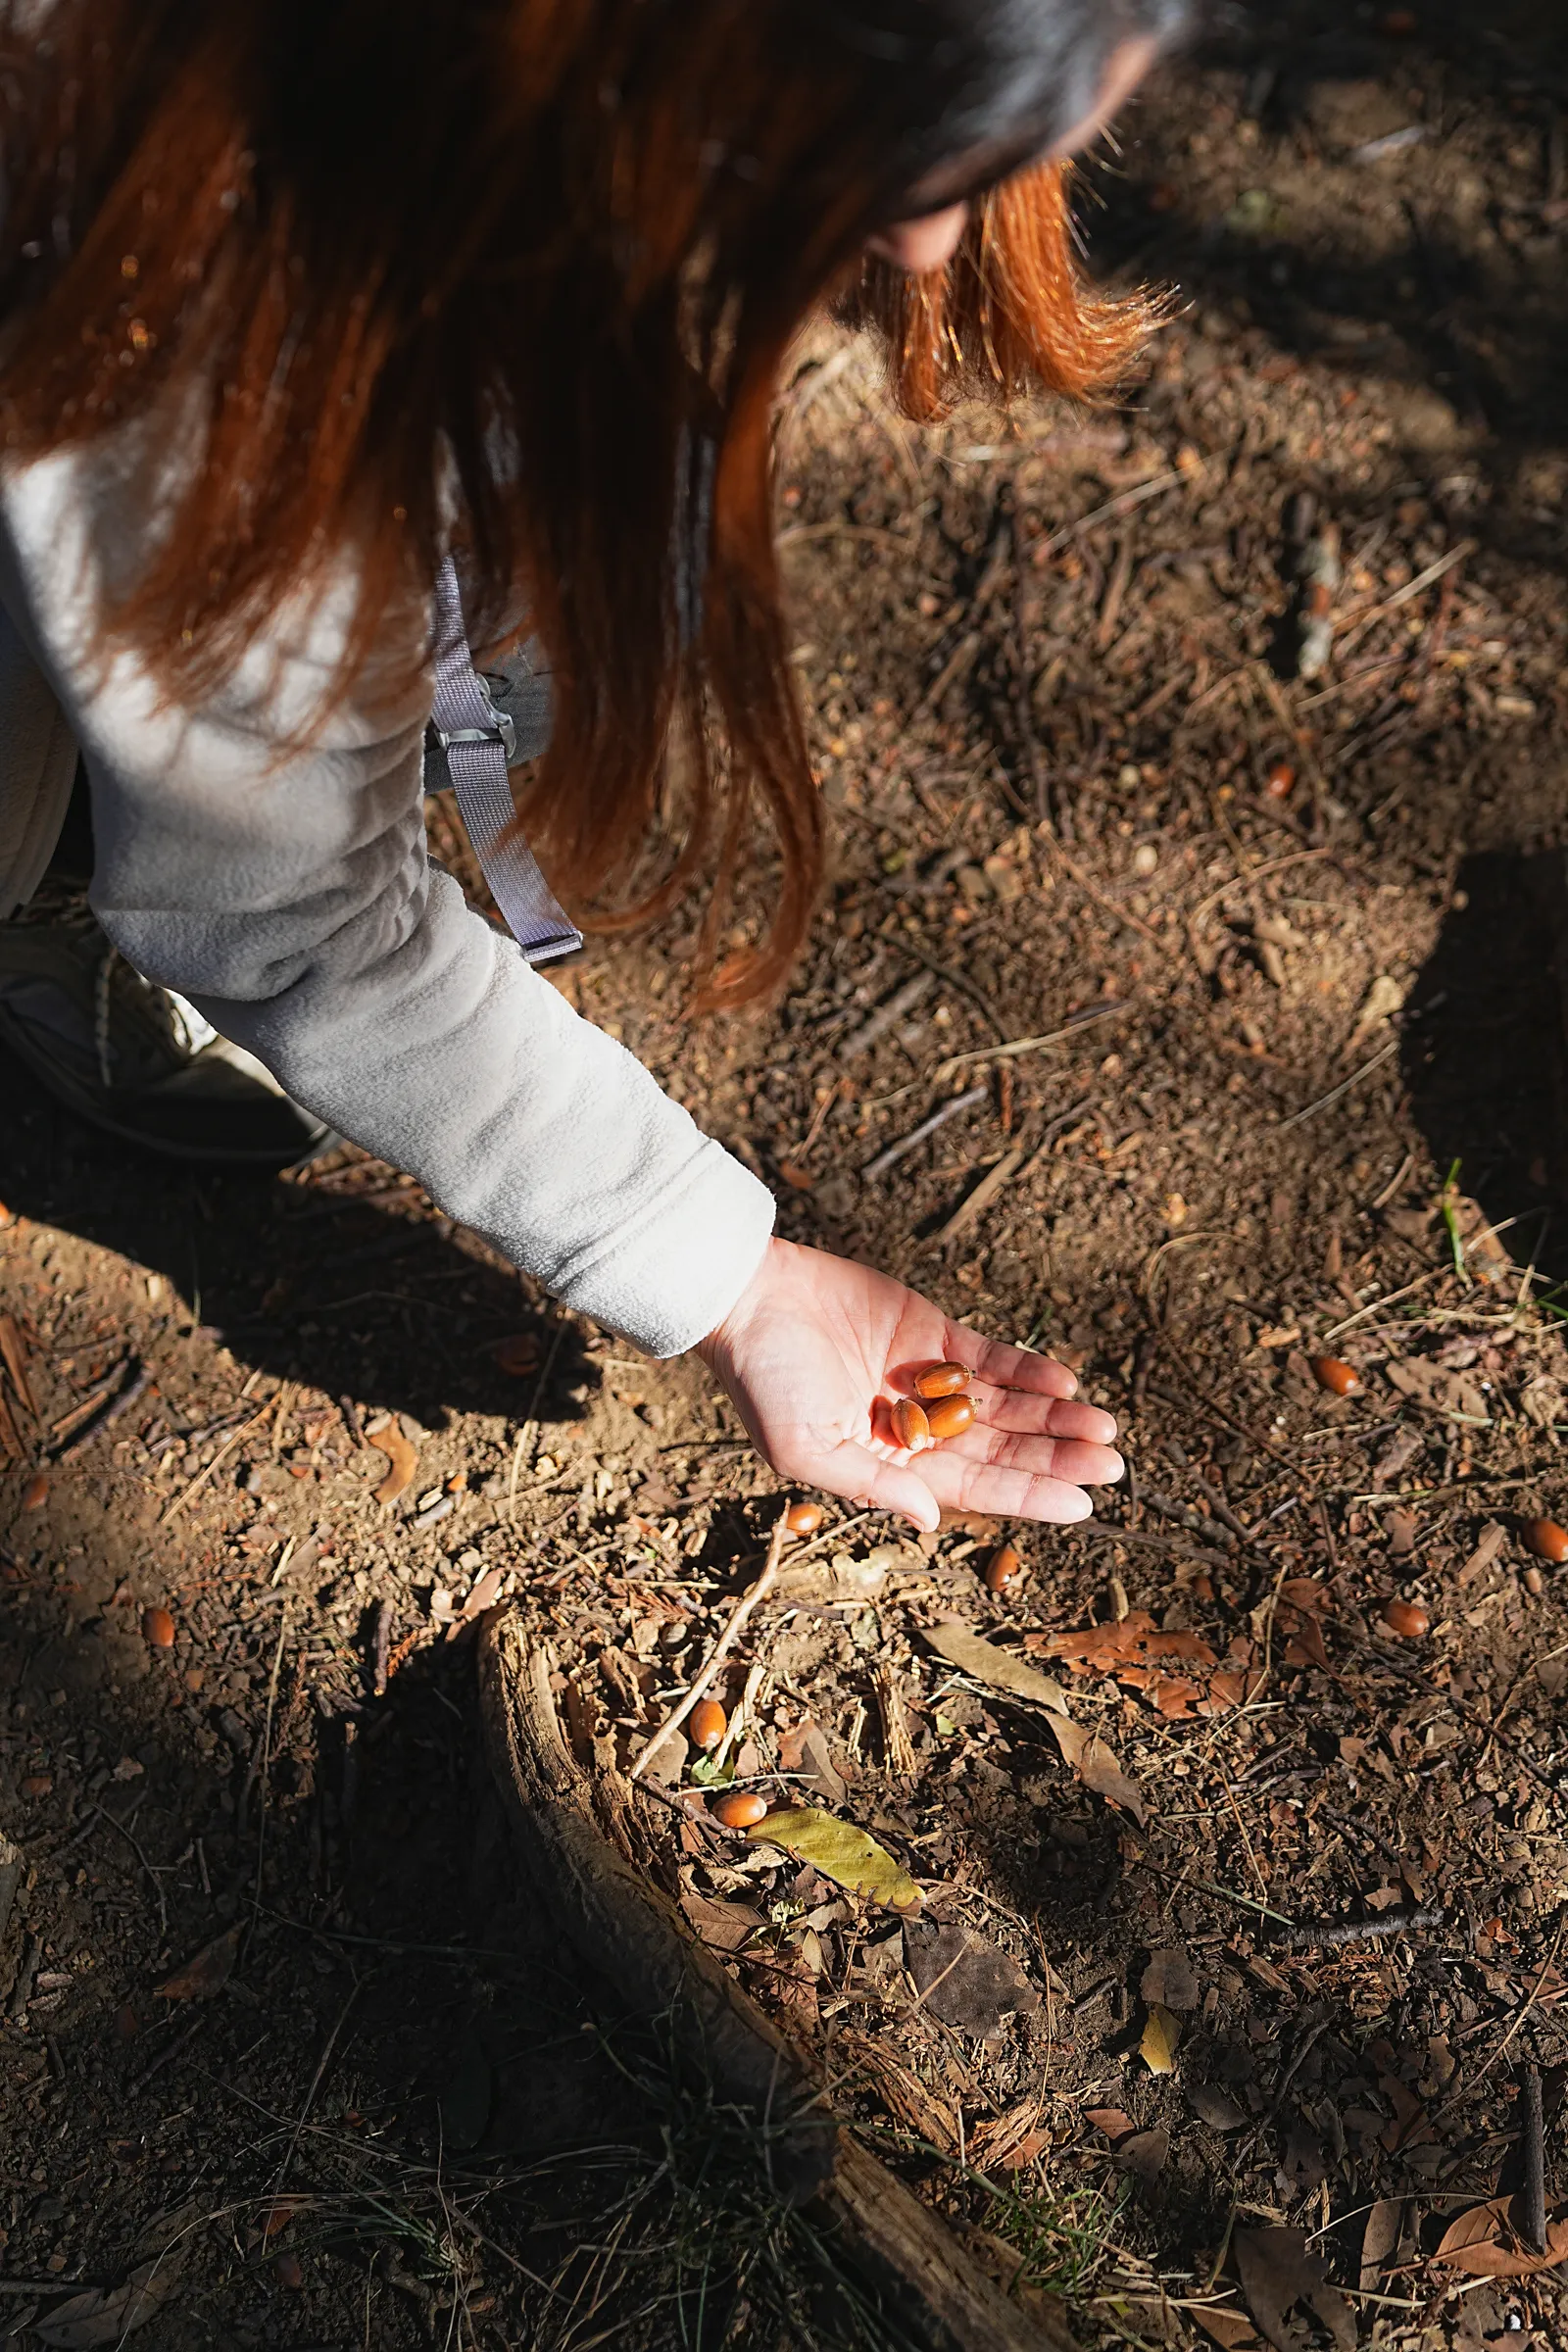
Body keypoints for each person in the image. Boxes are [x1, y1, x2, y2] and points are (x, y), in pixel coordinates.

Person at [0, 0, 1182, 1532]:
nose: (924, 242)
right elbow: (284, 909)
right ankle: (57, 874)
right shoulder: (220, 250)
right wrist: (721, 1274)